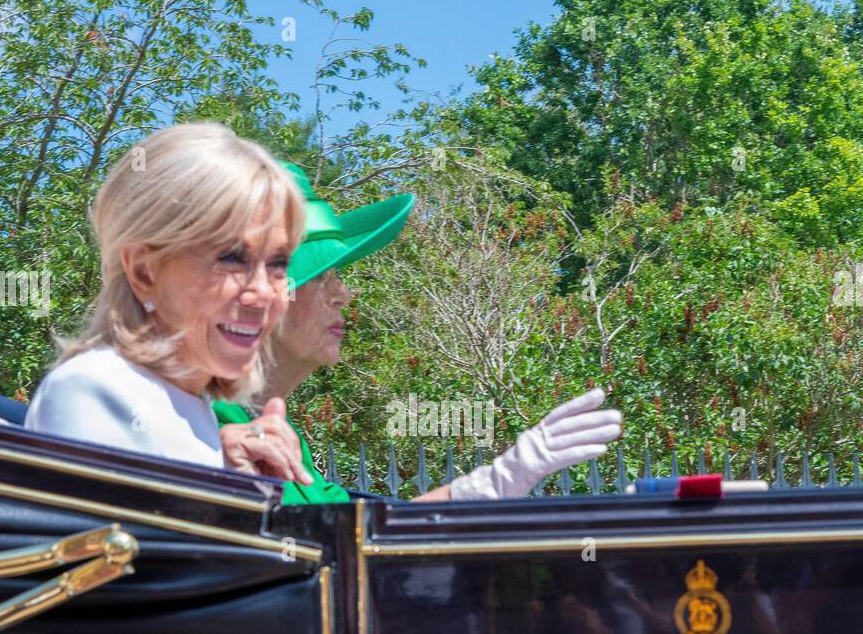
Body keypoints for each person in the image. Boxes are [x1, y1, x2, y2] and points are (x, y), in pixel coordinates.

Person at [214, 163, 621, 502]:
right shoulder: (215, 430)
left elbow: (360, 535)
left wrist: (486, 487)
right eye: (323, 277)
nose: (344, 294)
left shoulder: (275, 433)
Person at [23, 122, 310, 482]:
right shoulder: (99, 389)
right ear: (144, 272)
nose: (265, 293)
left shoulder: (193, 410)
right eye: (232, 258)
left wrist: (243, 485)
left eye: (278, 264)